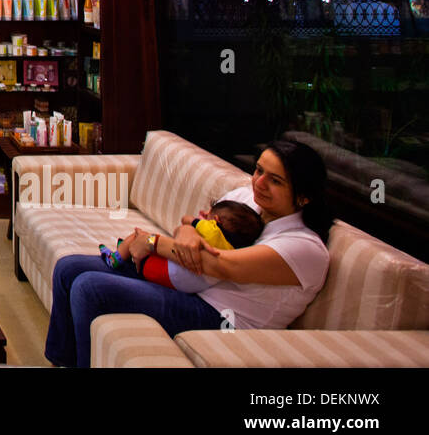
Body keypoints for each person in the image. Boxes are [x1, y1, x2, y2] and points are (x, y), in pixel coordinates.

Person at [44, 139, 331, 367]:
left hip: (220, 317)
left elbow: (220, 266)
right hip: (188, 284)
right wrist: (190, 233)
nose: (258, 183)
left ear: (304, 197)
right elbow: (186, 225)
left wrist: (153, 242)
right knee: (69, 268)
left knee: (90, 288)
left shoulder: (304, 248)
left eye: (275, 181)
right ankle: (62, 360)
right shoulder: (247, 199)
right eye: (258, 170)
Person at [99, 199, 263, 292]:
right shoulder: (234, 249)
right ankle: (126, 251)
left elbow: (186, 219)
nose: (203, 215)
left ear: (216, 221)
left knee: (138, 236)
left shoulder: (211, 230)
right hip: (181, 284)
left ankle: (116, 257)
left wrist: (197, 221)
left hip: (160, 271)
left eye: (207, 213)